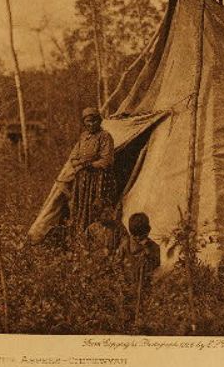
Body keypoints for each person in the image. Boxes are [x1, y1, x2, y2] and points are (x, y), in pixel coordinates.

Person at [67, 107, 116, 235]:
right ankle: (80, 234)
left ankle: (96, 235)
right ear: (84, 122)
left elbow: (107, 159)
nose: (91, 124)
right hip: (83, 179)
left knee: (96, 206)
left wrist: (90, 164)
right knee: (81, 205)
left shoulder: (105, 136)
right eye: (88, 121)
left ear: (99, 121)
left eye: (94, 121)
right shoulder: (83, 137)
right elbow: (73, 158)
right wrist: (80, 165)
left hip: (98, 178)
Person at [118, 212, 161, 293]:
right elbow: (117, 266)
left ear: (147, 231)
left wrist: (147, 251)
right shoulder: (125, 246)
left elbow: (156, 268)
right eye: (134, 235)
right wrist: (123, 285)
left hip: (146, 290)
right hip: (126, 288)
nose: (138, 238)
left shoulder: (154, 247)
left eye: (141, 235)